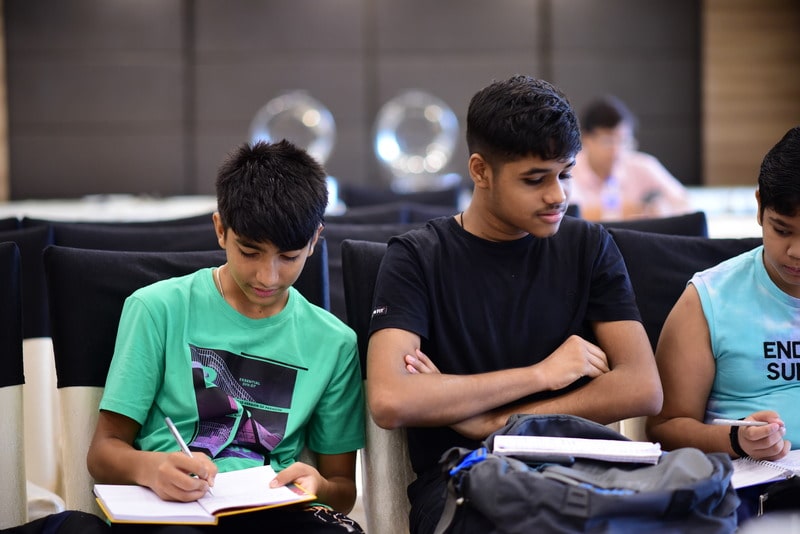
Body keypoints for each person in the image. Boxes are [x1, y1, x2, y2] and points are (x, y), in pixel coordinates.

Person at [366, 75, 663, 534]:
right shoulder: (417, 257)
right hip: (466, 482)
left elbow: (642, 387)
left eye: (565, 174)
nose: (558, 195)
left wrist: (500, 422)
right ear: (480, 171)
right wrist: (540, 375)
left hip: (581, 472)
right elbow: (391, 398)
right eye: (534, 179)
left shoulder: (589, 246)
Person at [86, 140, 365, 533]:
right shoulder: (157, 309)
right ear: (221, 229)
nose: (268, 276)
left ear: (314, 240)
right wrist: (150, 468)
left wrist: (318, 486)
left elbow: (342, 488)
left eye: (288, 257)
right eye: (250, 252)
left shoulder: (334, 343)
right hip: (172, 513)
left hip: (274, 514)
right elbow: (103, 452)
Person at [646, 126, 800, 520]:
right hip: (754, 495)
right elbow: (664, 426)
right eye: (782, 230)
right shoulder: (708, 299)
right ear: (759, 207)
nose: (796, 252)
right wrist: (736, 438)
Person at [569, 95, 691, 221]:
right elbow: (569, 216)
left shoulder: (643, 165)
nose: (617, 150)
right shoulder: (569, 168)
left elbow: (683, 202)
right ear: (586, 139)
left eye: (624, 141)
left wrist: (663, 209)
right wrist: (632, 209)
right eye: (608, 141)